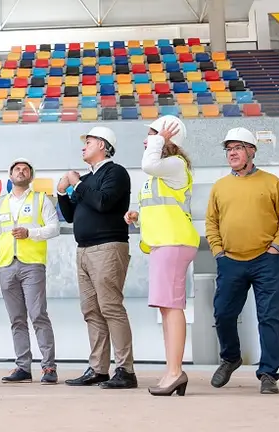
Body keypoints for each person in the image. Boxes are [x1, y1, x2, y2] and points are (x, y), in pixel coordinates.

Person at [205, 127, 279, 395]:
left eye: (238, 147)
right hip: (230, 261)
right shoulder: (220, 186)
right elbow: (211, 222)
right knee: (223, 314)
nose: (232, 153)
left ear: (251, 151)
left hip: (265, 261)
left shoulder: (271, 183)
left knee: (269, 318)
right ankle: (231, 357)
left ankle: (268, 373)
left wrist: (276, 247)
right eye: (229, 149)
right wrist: (218, 251)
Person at [57, 126, 138, 390]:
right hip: (84, 250)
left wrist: (77, 184)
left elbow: (103, 203)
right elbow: (70, 216)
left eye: (88, 142)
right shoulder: (88, 179)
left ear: (102, 145)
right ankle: (98, 369)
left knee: (111, 307)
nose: (83, 146)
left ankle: (125, 370)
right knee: (91, 311)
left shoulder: (115, 172)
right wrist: (61, 193)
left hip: (107, 248)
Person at [124, 115, 199, 397]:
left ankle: (175, 372)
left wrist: (160, 140)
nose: (147, 139)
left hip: (173, 243)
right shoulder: (160, 173)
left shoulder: (174, 165)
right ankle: (172, 370)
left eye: (153, 133)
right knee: (167, 308)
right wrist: (137, 217)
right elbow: (162, 209)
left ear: (168, 137)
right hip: (163, 243)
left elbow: (148, 162)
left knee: (172, 307)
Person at [0, 158, 61, 384]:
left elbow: (54, 229)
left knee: (38, 315)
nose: (21, 171)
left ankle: (48, 367)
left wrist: (31, 233)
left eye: (25, 169)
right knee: (16, 318)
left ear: (31, 177)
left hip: (32, 264)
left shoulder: (40, 199)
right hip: (6, 265)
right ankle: (23, 366)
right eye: (17, 168)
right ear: (10, 175)